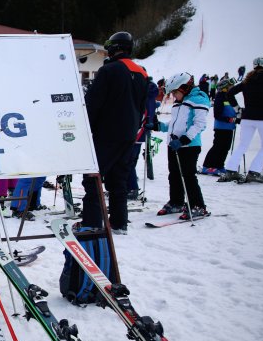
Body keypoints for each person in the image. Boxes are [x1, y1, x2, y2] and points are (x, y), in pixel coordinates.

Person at [79, 31, 148, 234]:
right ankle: (119, 223)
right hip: (129, 134)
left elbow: (93, 103)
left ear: (114, 48)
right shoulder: (142, 72)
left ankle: (91, 223)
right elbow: (143, 105)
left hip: (107, 133)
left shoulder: (109, 70)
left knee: (93, 178)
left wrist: (86, 130)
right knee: (118, 180)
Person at [155, 72, 210, 219]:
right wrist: (159, 126)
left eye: (175, 92)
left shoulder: (198, 99)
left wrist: (184, 140)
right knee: (174, 175)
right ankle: (176, 202)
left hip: (189, 146)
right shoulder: (180, 102)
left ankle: (197, 206)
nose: (173, 95)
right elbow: (174, 124)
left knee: (188, 176)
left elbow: (199, 125)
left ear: (184, 87)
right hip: (174, 145)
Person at [218, 56, 263, 183]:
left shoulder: (248, 79)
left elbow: (229, 93)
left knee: (242, 145)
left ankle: (231, 170)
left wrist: (237, 109)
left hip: (247, 117)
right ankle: (254, 172)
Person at [200, 78, 238, 175]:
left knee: (226, 147)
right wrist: (229, 119)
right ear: (225, 88)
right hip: (221, 127)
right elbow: (217, 114)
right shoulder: (220, 97)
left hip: (229, 127)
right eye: (230, 86)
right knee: (218, 146)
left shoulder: (230, 97)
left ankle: (219, 165)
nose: (232, 87)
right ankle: (207, 166)